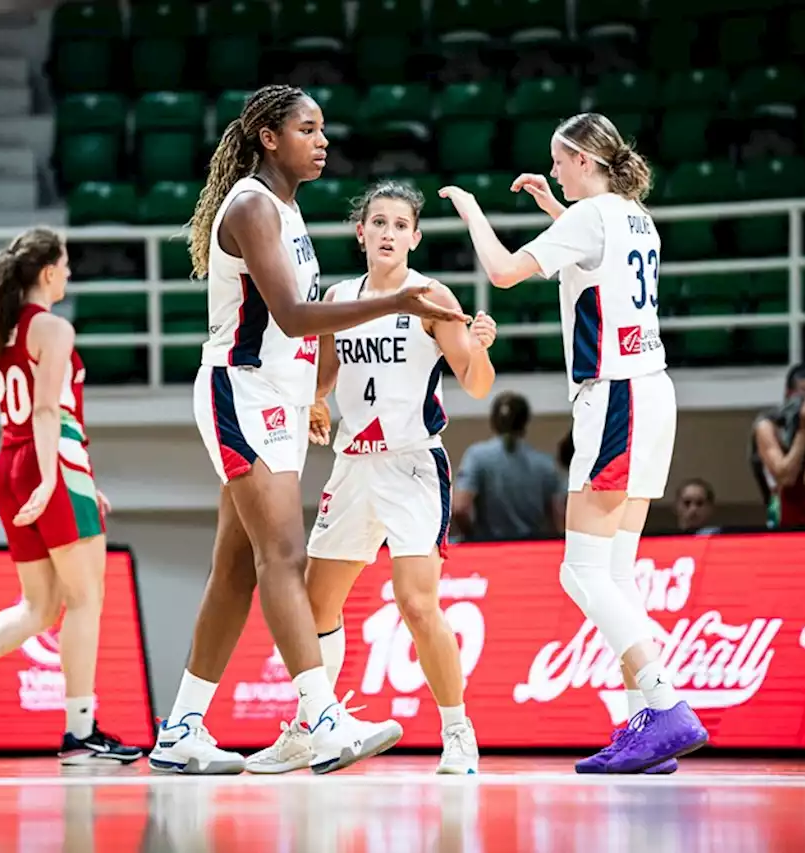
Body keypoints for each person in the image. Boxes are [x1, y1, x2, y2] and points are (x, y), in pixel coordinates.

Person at [147, 86, 469, 776]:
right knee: (286, 558)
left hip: (281, 402)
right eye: (307, 128)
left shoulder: (286, 208)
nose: (322, 140)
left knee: (236, 567)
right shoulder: (252, 205)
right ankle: (320, 717)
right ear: (268, 136)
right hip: (242, 390)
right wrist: (399, 299)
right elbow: (293, 315)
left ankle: (181, 727)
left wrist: (315, 395)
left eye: (322, 128)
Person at [439, 112, 708, 775]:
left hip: (614, 394)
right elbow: (597, 257)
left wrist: (473, 211)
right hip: (651, 389)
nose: (552, 169)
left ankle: (666, 703)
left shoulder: (590, 220)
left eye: (559, 162)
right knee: (614, 572)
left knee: (579, 570)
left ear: (585, 159)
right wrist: (555, 208)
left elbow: (502, 272)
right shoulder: (631, 213)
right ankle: (640, 726)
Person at [243, 181, 498, 776]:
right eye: (376, 222)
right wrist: (315, 403)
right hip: (354, 465)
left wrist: (481, 347)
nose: (387, 233)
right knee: (313, 603)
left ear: (414, 236)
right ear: (361, 233)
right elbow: (327, 376)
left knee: (415, 603)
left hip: (412, 464)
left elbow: (478, 383)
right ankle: (312, 726)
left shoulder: (430, 294)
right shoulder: (340, 296)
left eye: (398, 224)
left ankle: (458, 731)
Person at [0, 227, 141, 766]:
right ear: (46, 272)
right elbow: (47, 412)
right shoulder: (54, 329)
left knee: (38, 606)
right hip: (49, 459)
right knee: (85, 601)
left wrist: (68, 479)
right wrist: (53, 479)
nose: (69, 273)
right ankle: (81, 733)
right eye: (64, 264)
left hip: (10, 462)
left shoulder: (2, 330)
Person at [452, 392, 566, 542]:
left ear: (493, 421)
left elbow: (460, 507)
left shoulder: (477, 456)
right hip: (532, 550)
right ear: (525, 422)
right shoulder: (545, 464)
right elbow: (558, 521)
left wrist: (472, 535)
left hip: (487, 549)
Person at [752, 363, 805, 529]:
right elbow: (785, 477)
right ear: (789, 394)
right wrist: (803, 430)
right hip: (782, 518)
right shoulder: (767, 426)